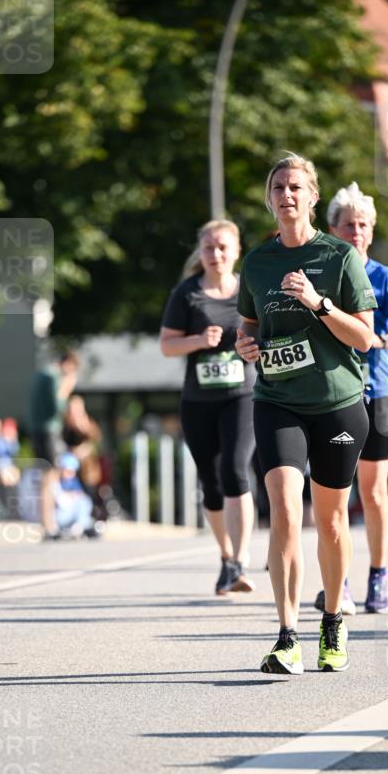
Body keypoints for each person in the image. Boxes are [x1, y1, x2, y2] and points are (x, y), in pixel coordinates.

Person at [236, 154, 376, 674]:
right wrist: (244, 345)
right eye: (278, 187)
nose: (287, 195)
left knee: (332, 522)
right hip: (277, 401)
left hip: (337, 405)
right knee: (285, 509)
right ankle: (286, 635)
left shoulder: (340, 257)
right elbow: (248, 328)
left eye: (296, 187)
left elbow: (365, 337)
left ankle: (333, 620)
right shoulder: (256, 263)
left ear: (313, 197)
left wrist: (320, 303)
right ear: (269, 198)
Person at [315, 183, 388, 615]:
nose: (356, 232)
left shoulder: (384, 277)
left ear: (372, 232)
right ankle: (338, 581)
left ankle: (379, 573)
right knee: (336, 495)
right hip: (335, 397)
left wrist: (380, 340)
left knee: (374, 492)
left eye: (363, 225)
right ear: (332, 231)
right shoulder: (322, 276)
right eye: (348, 225)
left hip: (380, 394)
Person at [160, 219, 257, 595]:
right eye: (209, 248)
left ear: (236, 251)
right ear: (200, 253)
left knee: (235, 470)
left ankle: (241, 561)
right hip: (198, 401)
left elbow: (267, 331)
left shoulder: (248, 290)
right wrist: (198, 340)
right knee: (211, 483)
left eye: (222, 247)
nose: (215, 254)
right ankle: (226, 556)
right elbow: (167, 345)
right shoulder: (186, 294)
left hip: (241, 396)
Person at [28, 350, 80, 466]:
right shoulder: (53, 377)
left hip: (36, 429)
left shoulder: (42, 373)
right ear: (68, 363)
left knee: (43, 467)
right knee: (53, 467)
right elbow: (56, 408)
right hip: (49, 430)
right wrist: (66, 388)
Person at [49, 452, 98, 539]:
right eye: (67, 471)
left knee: (85, 501)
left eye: (72, 472)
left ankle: (80, 526)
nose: (69, 474)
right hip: (60, 515)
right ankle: (80, 527)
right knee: (83, 502)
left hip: (71, 512)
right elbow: (57, 499)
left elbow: (80, 494)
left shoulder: (74, 482)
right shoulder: (56, 482)